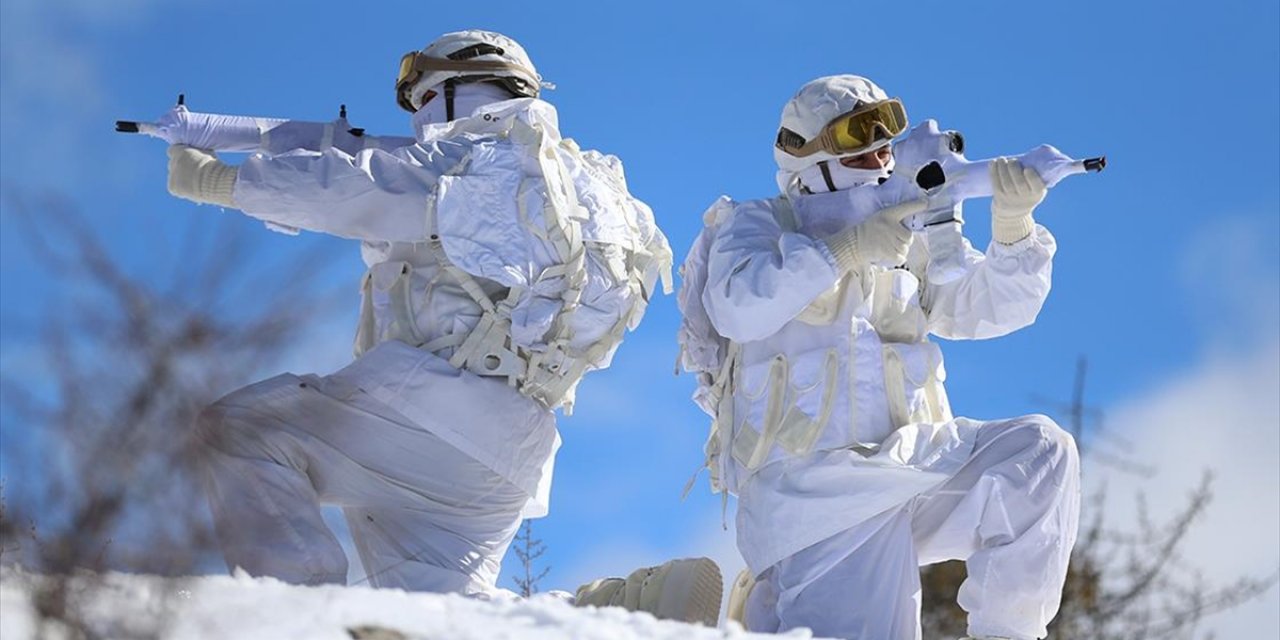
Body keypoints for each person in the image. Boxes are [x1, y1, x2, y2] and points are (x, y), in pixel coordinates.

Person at [165, 30, 717, 619]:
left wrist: (221, 181)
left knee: (242, 431)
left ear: (455, 91)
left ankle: (297, 617)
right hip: (511, 447)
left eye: (423, 100)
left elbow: (356, 188)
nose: (419, 120)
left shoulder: (474, 159)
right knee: (443, 614)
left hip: (426, 409)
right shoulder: (582, 185)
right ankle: (613, 612)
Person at [690, 75, 1081, 639]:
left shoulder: (907, 233)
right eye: (857, 137)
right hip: (817, 494)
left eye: (885, 137)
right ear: (808, 154)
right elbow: (737, 308)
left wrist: (1015, 227)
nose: (878, 152)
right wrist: (843, 250)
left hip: (909, 463)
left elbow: (988, 308)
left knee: (1038, 453)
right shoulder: (759, 224)